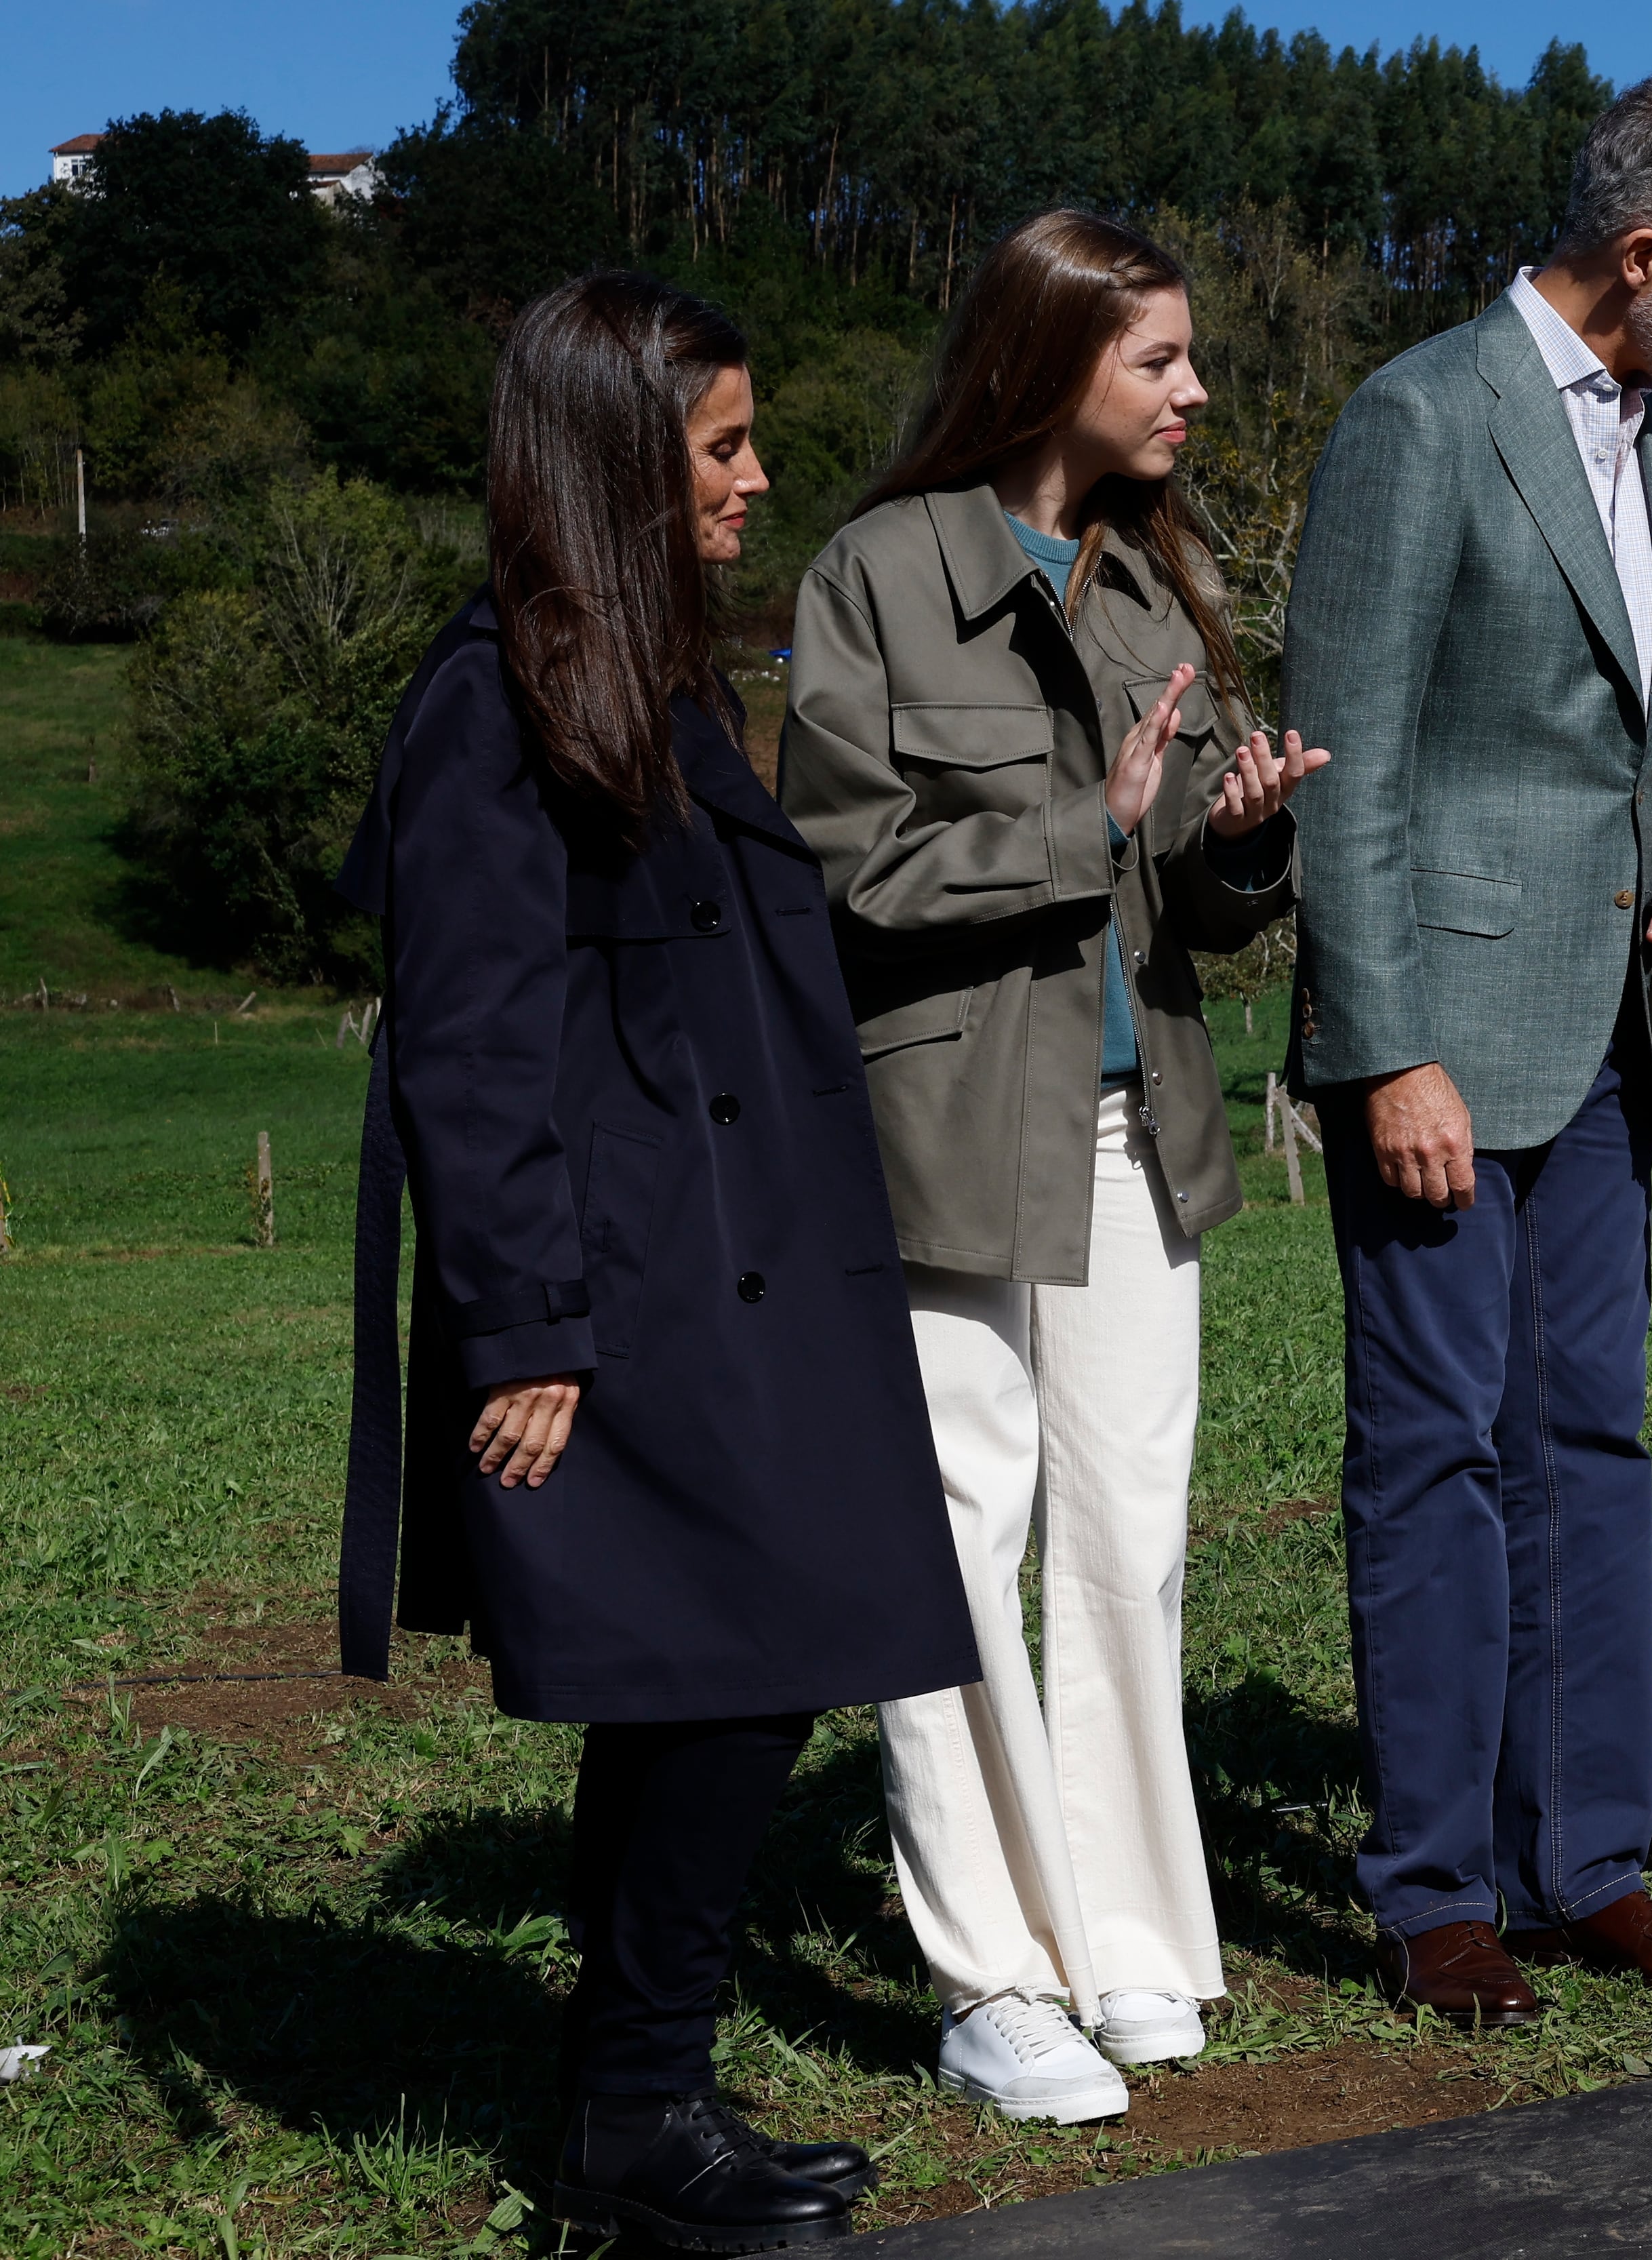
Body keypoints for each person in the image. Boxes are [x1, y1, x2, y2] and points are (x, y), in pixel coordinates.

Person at [338, 271, 978, 2251]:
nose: (757, 480)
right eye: (720, 446)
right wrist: (520, 1320)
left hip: (735, 1271)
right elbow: (468, 1031)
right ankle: (633, 2117)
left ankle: (645, 2095)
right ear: (617, 458)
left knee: (720, 1685)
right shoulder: (496, 699)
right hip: (625, 1291)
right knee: (720, 1673)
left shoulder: (646, 674)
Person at [777, 210, 1322, 2124]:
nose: (1193, 389)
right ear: (1050, 355)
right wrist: (1078, 827)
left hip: (1130, 1122)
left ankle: (1130, 1938)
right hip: (940, 1122)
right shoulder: (875, 572)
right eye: (1159, 357)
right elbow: (837, 863)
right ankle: (991, 1973)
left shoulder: (1154, 590)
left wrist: (1239, 839)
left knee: (1127, 1535)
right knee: (955, 1539)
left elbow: (1184, 887)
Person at [1280, 77, 1652, 2025]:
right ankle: (1435, 1894)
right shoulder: (1419, 420)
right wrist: (1385, 1044)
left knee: (1589, 1441)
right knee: (1431, 1457)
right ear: (1644, 255)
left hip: (1602, 1042)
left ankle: (1586, 1859)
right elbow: (1351, 759)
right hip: (1439, 1038)